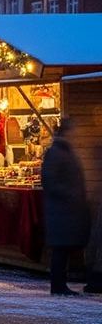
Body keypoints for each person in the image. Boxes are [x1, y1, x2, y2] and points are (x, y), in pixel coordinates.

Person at [40, 122, 96, 295]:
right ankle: (58, 285)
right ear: (66, 133)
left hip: (65, 209)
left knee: (63, 248)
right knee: (60, 249)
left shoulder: (64, 151)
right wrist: (71, 194)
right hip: (61, 209)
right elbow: (50, 181)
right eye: (73, 133)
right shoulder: (58, 153)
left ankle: (60, 284)